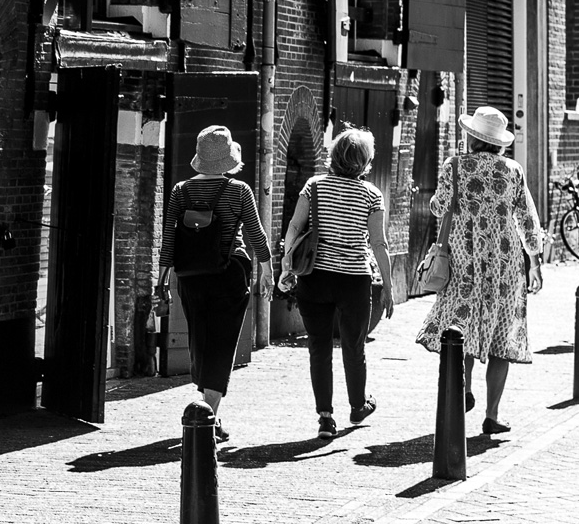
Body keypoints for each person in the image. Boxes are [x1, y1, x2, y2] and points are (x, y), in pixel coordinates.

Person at [414, 107, 545, 434]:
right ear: (499, 142)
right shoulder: (512, 170)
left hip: (464, 258)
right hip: (504, 262)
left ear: (472, 137)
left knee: (461, 325)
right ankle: (492, 415)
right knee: (503, 335)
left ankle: (465, 389)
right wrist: (536, 260)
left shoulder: (453, 166)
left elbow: (439, 206)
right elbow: (527, 219)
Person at [158, 126, 273, 442]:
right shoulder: (239, 191)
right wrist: (268, 271)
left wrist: (162, 281)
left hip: (190, 277)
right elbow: (256, 236)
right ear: (229, 160)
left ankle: (209, 412)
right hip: (229, 274)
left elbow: (169, 240)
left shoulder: (181, 191)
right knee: (223, 345)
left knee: (200, 339)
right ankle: (206, 414)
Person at [279, 127, 396, 440]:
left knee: (318, 347)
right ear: (364, 161)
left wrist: (286, 264)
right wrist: (387, 285)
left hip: (315, 278)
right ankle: (358, 406)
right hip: (354, 281)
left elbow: (294, 226)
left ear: (333, 155)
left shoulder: (314, 186)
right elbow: (379, 243)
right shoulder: (372, 194)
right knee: (353, 346)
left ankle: (325, 418)